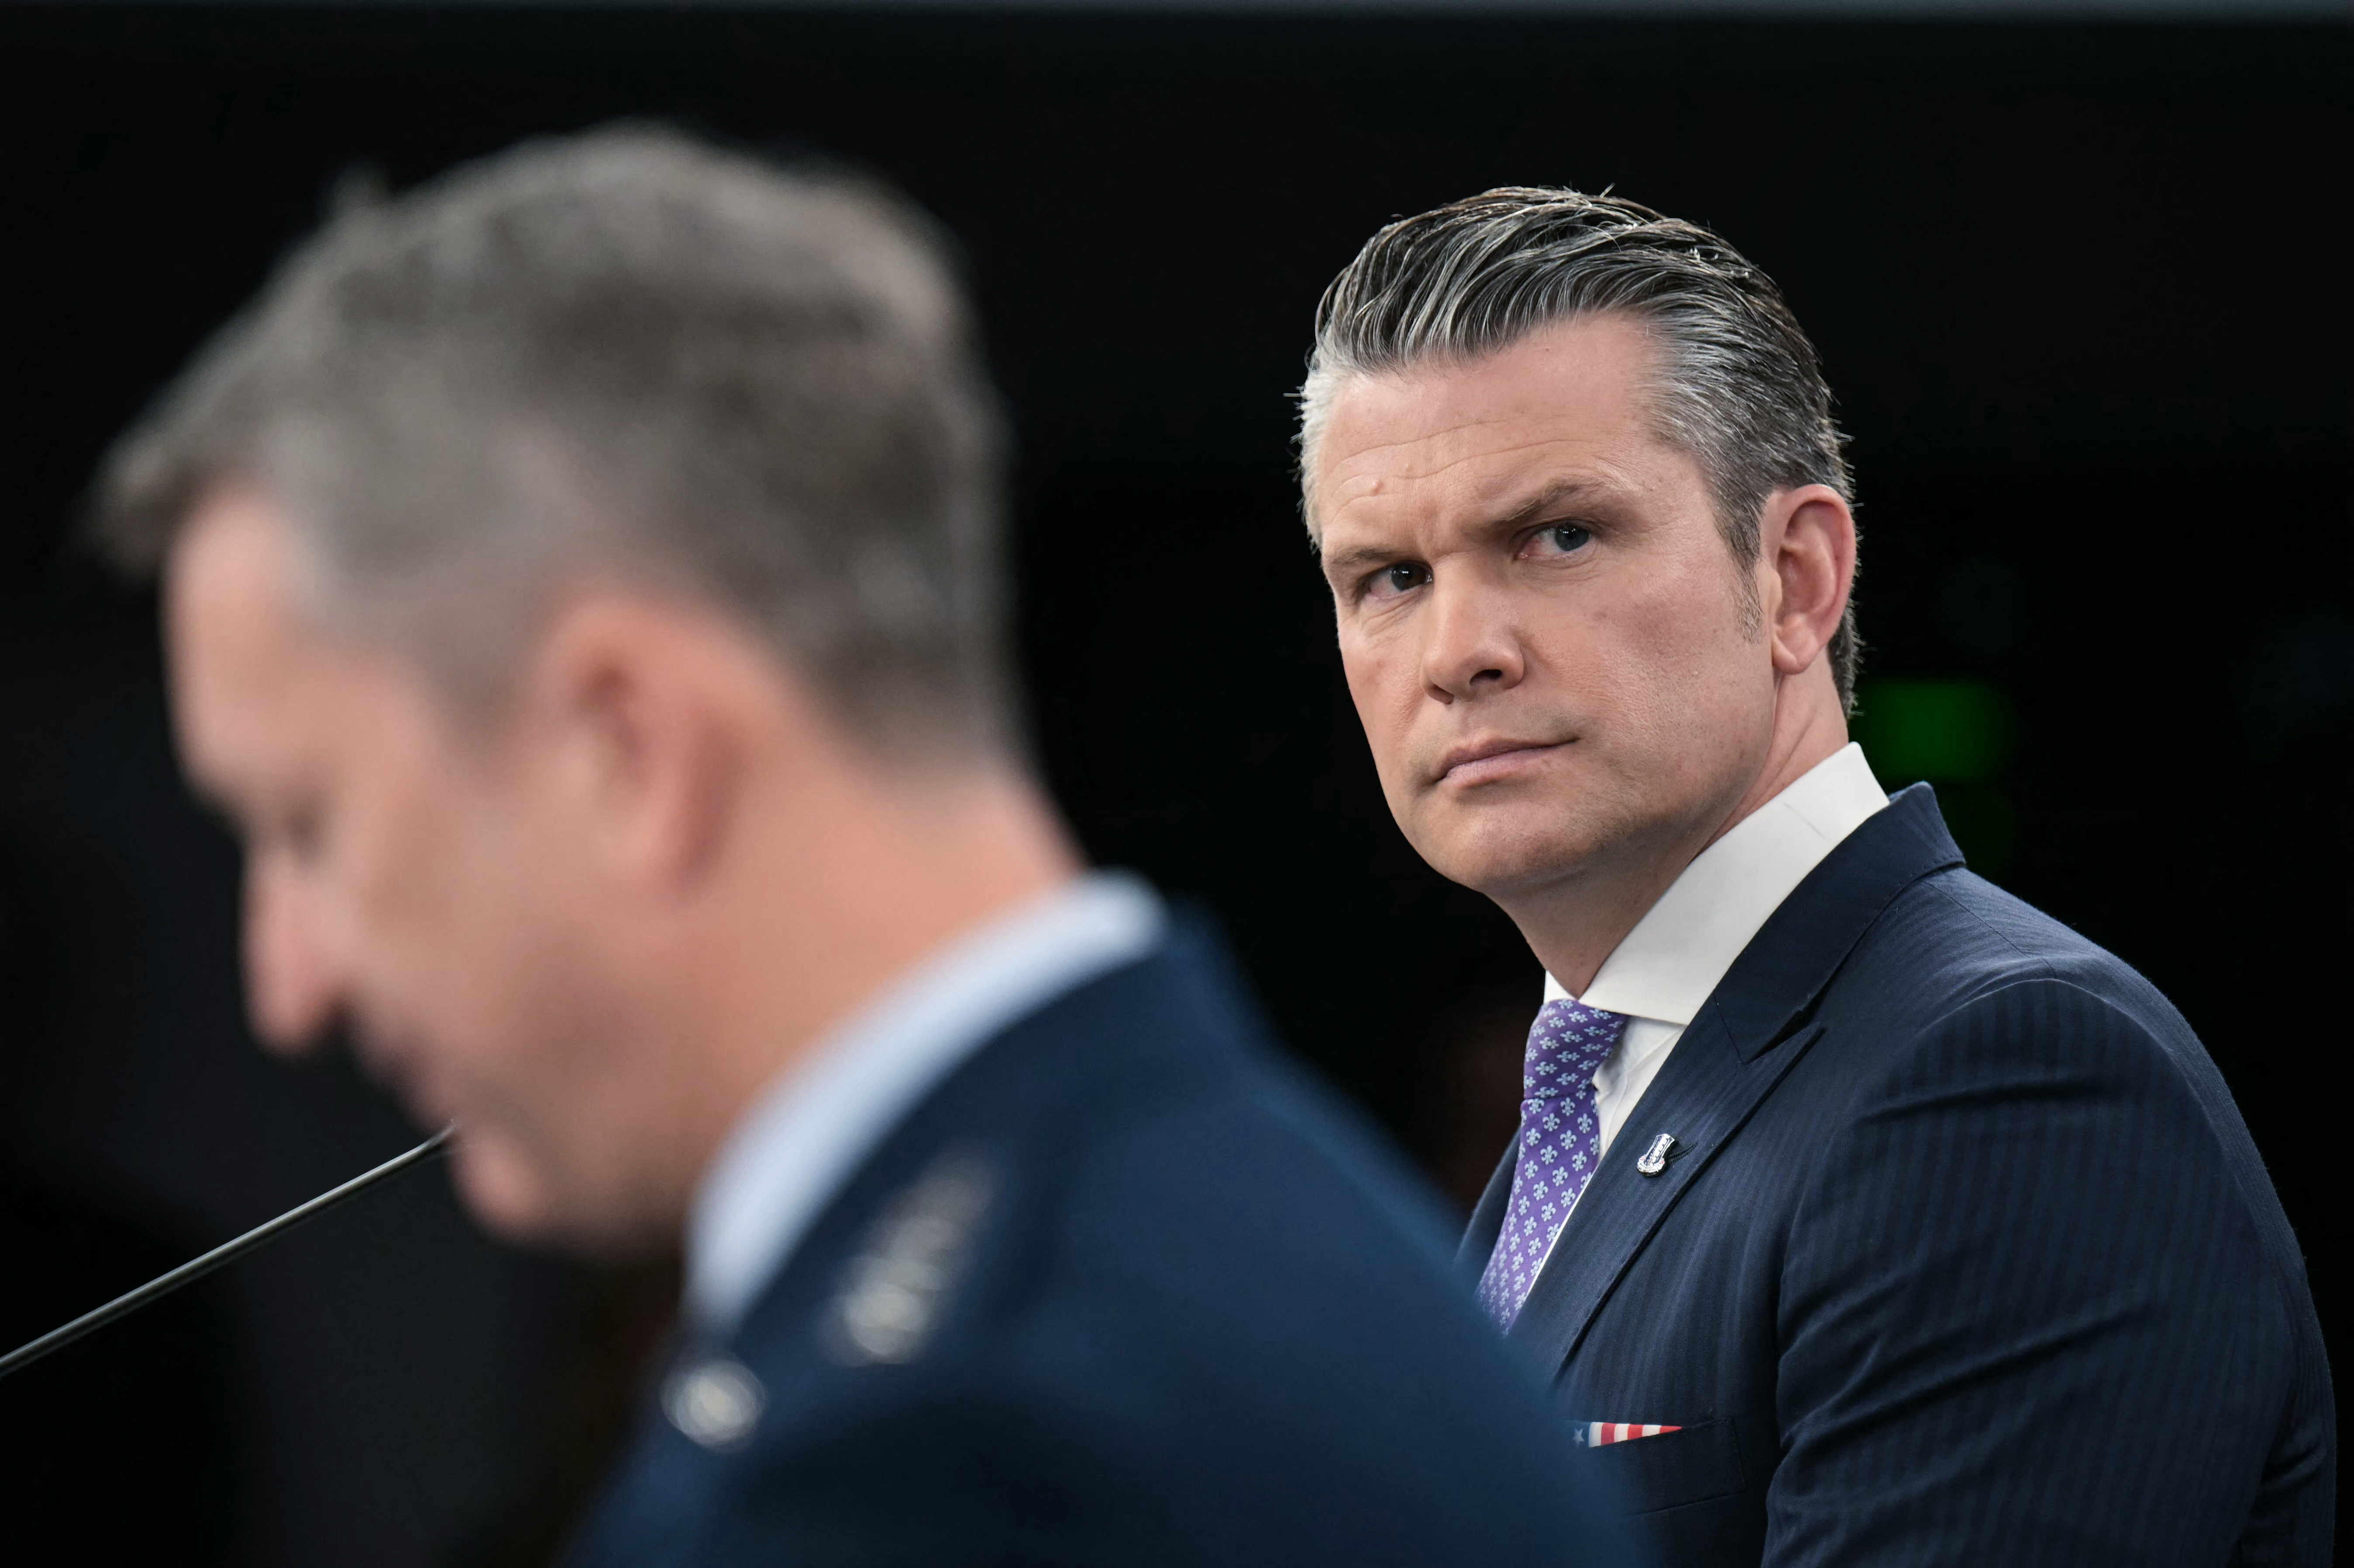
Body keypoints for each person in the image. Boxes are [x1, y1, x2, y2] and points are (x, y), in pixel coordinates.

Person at [91, 134, 1631, 1566]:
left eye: (311, 825)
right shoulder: (1244, 1230)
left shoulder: (920, 1465)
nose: (285, 983)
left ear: (626, 747)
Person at [1296, 188, 2333, 1565]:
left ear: (1794, 580)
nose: (1458, 650)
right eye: (1389, 577)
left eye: (1557, 536)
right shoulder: (1600, 1097)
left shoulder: (2008, 1077)